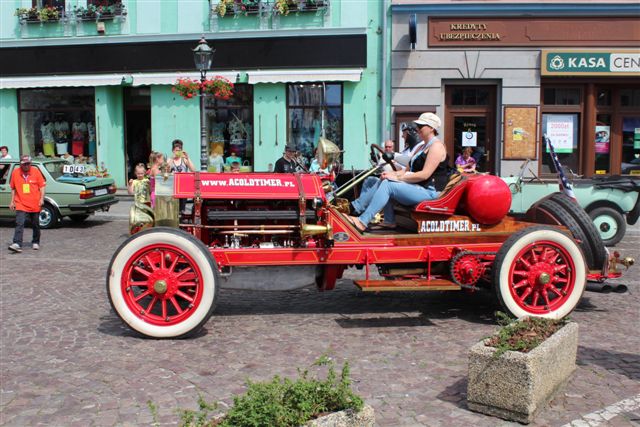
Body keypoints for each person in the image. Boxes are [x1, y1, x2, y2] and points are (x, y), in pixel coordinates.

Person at [347, 112, 449, 232]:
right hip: (418, 187)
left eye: (421, 126)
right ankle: (371, 214)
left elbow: (424, 175)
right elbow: (406, 170)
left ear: (431, 128)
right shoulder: (422, 147)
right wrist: (391, 174)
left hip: (429, 192)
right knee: (383, 179)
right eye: (418, 126)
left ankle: (362, 220)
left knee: (388, 185)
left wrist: (397, 178)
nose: (418, 129)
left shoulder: (436, 147)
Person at [9, 155, 46, 252]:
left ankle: (36, 241)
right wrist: (12, 201)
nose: (26, 166)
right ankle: (17, 243)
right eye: (24, 164)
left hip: (34, 203)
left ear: (31, 163)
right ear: (20, 164)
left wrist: (41, 199)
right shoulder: (15, 172)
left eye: (28, 164)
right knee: (19, 223)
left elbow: (42, 186)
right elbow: (13, 188)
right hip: (20, 202)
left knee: (35, 224)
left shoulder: (36, 172)